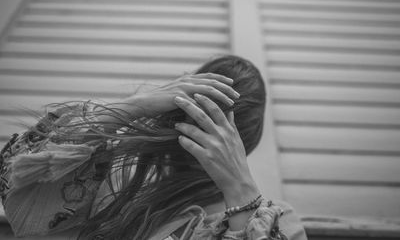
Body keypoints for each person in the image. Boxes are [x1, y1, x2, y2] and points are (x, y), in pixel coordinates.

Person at [0, 55, 307, 239]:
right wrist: (131, 107)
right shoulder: (114, 191)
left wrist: (240, 189)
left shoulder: (280, 221)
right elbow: (19, 185)